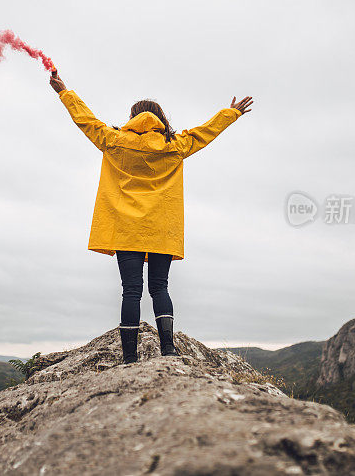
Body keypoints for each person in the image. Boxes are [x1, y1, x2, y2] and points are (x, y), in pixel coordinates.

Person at [50, 70, 253, 364]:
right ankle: (168, 350)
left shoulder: (114, 140)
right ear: (161, 118)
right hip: (161, 228)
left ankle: (130, 358)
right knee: (160, 287)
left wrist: (63, 91)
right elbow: (205, 132)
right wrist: (231, 113)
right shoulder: (175, 145)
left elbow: (85, 120)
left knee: (130, 290)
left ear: (132, 118)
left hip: (125, 227)